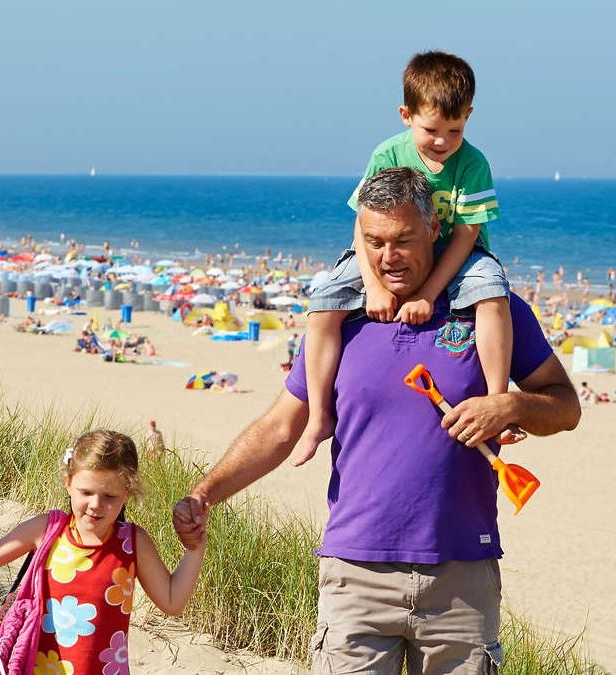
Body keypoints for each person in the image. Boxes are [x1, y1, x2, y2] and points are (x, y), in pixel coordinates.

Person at [173, 168, 580, 674]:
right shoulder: (342, 318)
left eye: (404, 240)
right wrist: (204, 494)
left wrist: (511, 405)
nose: (388, 257)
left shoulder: (487, 308)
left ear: (435, 228)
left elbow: (566, 406)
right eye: (374, 242)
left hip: (462, 580)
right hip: (355, 576)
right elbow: (282, 426)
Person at [295, 51, 514, 466]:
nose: (443, 141)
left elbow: (467, 234)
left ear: (468, 115)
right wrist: (374, 285)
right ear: (406, 114)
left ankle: (498, 401)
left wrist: (428, 294)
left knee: (492, 293)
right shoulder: (388, 154)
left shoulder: (473, 163)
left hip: (457, 252)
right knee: (323, 302)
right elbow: (364, 225)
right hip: (387, 246)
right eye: (431, 129)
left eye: (456, 129)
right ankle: (320, 416)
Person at [0, 430, 205, 673]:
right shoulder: (48, 530)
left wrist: (194, 550)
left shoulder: (133, 543)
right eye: (85, 492)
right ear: (68, 483)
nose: (95, 505)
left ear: (128, 493)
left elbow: (172, 601)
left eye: (110, 497)